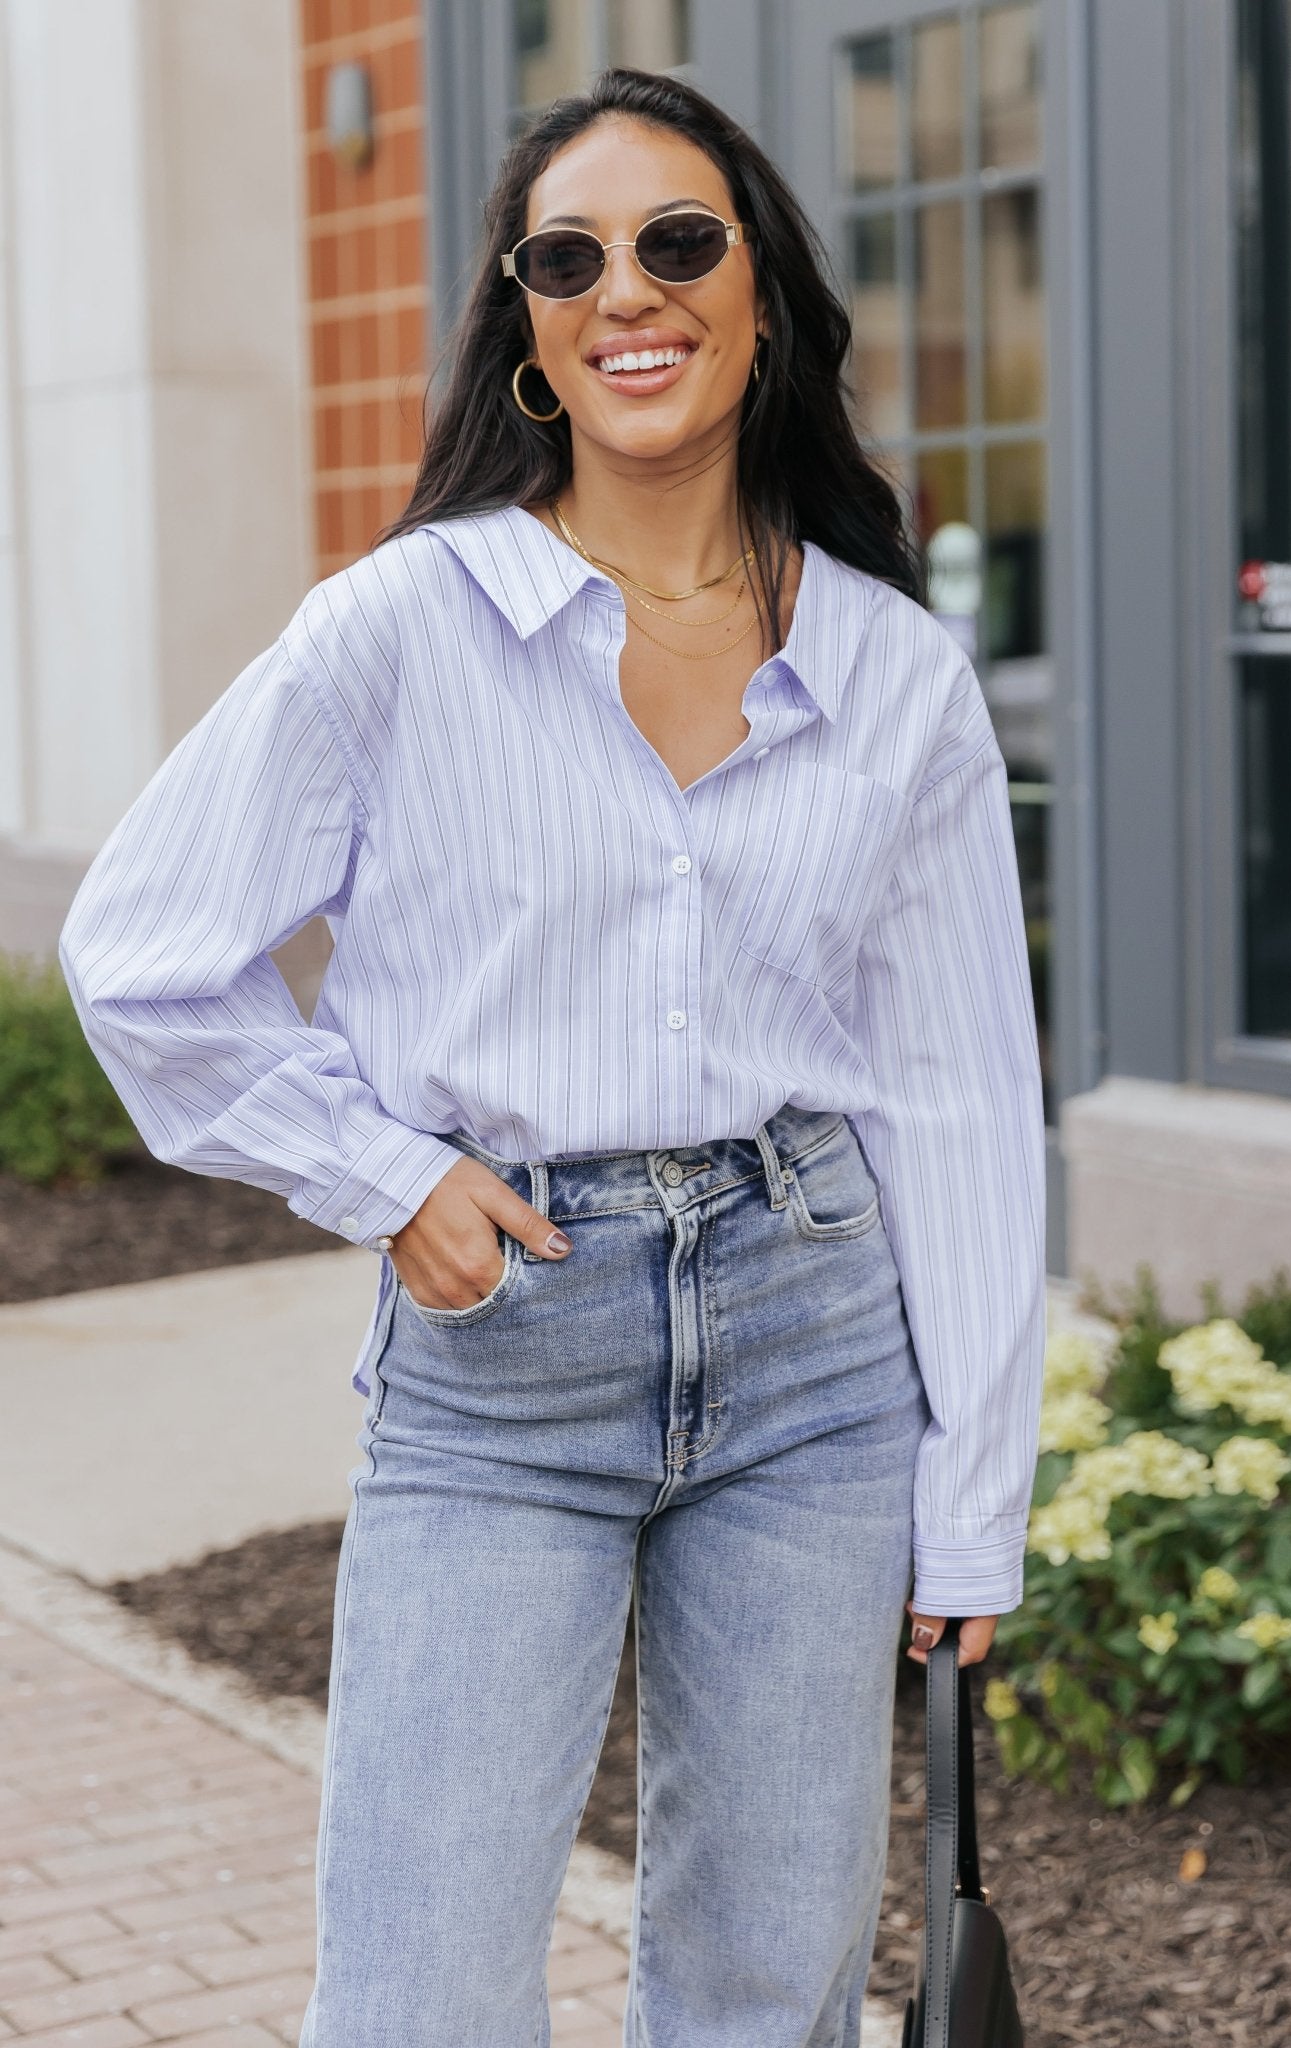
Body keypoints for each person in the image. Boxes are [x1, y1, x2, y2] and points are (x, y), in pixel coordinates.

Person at [58, 63, 1046, 2048]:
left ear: (756, 292)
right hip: (506, 1342)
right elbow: (141, 954)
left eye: (677, 241)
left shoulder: (891, 672)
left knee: (769, 1990)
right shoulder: (394, 632)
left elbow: (953, 1100)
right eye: (566, 256)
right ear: (524, 322)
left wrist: (973, 1502)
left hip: (812, 1345)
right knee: (417, 1994)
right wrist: (384, 1173)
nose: (626, 289)